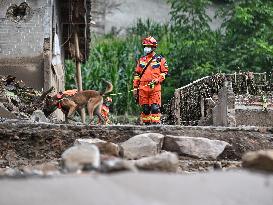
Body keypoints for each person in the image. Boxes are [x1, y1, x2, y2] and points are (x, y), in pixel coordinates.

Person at [133, 36, 169, 125]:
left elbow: (165, 72)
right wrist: (135, 88)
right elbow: (137, 75)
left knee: (155, 108)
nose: (146, 48)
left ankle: (156, 125)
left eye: (148, 46)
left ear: (153, 47)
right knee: (145, 109)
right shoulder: (141, 60)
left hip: (155, 88)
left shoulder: (160, 59)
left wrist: (158, 79)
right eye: (145, 46)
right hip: (142, 88)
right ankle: (147, 126)